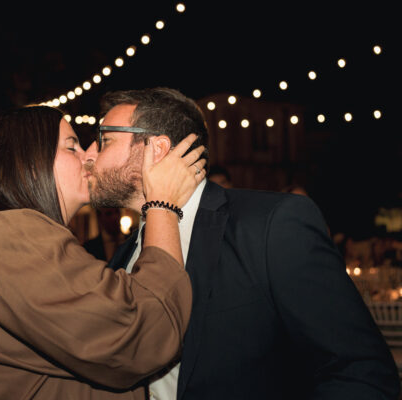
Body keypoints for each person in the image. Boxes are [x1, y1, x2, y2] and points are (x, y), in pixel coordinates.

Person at [84, 87, 401, 400]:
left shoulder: (271, 225)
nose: (89, 154)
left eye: (104, 140)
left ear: (157, 149)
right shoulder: (123, 257)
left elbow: (361, 373)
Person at [0, 105, 206, 399]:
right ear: (30, 163)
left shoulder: (9, 234)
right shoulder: (15, 238)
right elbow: (143, 334)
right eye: (72, 147)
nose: (90, 156)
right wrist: (162, 206)